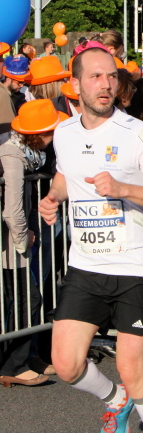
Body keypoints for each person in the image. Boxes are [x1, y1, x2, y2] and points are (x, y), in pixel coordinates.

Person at [39, 45, 143, 433]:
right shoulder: (64, 132)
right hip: (86, 266)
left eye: (111, 77)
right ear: (75, 85)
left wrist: (123, 189)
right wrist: (53, 197)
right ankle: (116, 401)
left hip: (134, 268)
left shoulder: (136, 133)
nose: (105, 85)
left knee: (133, 370)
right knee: (66, 364)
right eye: (95, 77)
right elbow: (68, 175)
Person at [0, 100, 65, 388]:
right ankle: (13, 365)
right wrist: (23, 238)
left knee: (26, 300)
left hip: (17, 241)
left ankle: (28, 358)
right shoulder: (12, 156)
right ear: (38, 135)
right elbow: (12, 208)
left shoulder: (27, 153)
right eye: (51, 131)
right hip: (11, 246)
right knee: (26, 300)